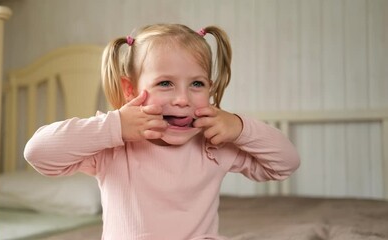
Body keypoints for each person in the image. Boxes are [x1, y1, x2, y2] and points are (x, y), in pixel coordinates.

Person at [24, 23, 300, 240]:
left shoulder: (214, 144)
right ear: (130, 89)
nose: (183, 99)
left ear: (211, 88)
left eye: (197, 84)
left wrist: (240, 128)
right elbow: (38, 153)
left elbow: (285, 164)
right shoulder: (114, 146)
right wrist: (115, 125)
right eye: (165, 83)